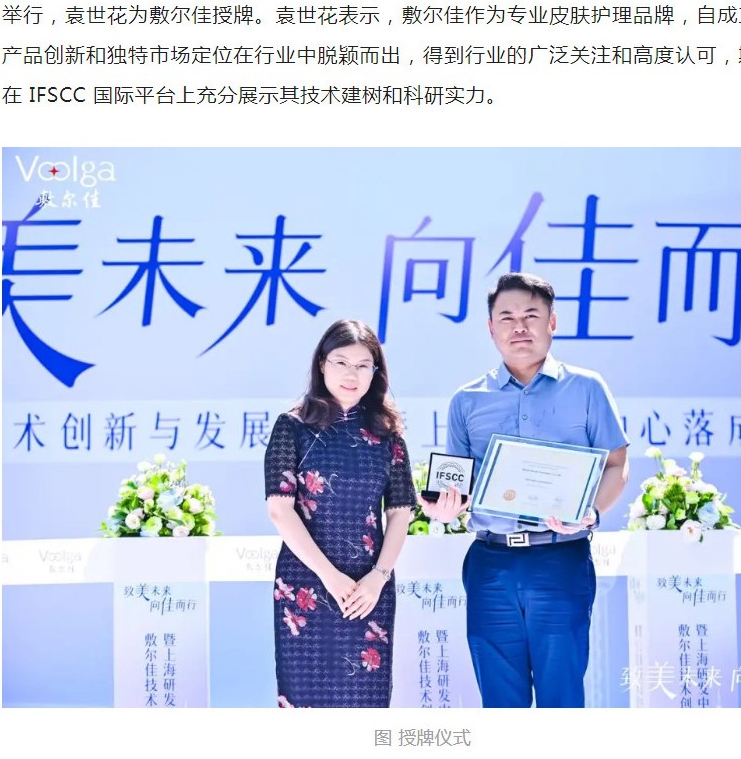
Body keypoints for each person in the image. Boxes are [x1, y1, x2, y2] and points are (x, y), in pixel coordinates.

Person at [421, 272, 629, 708]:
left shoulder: (587, 388)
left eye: (531, 315)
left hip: (561, 557)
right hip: (490, 563)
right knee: (500, 702)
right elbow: (455, 486)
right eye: (507, 317)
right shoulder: (467, 400)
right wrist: (443, 508)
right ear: (490, 328)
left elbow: (616, 465)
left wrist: (591, 512)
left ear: (552, 322)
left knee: (561, 698)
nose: (519, 327)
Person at [264, 319, 416, 707]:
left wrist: (378, 577)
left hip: (369, 586)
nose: (352, 374)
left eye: (363, 365)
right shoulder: (292, 427)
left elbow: (400, 512)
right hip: (307, 582)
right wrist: (329, 576)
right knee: (306, 701)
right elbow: (280, 510)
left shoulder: (388, 432)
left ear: (375, 372)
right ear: (322, 364)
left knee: (366, 703)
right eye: (342, 363)